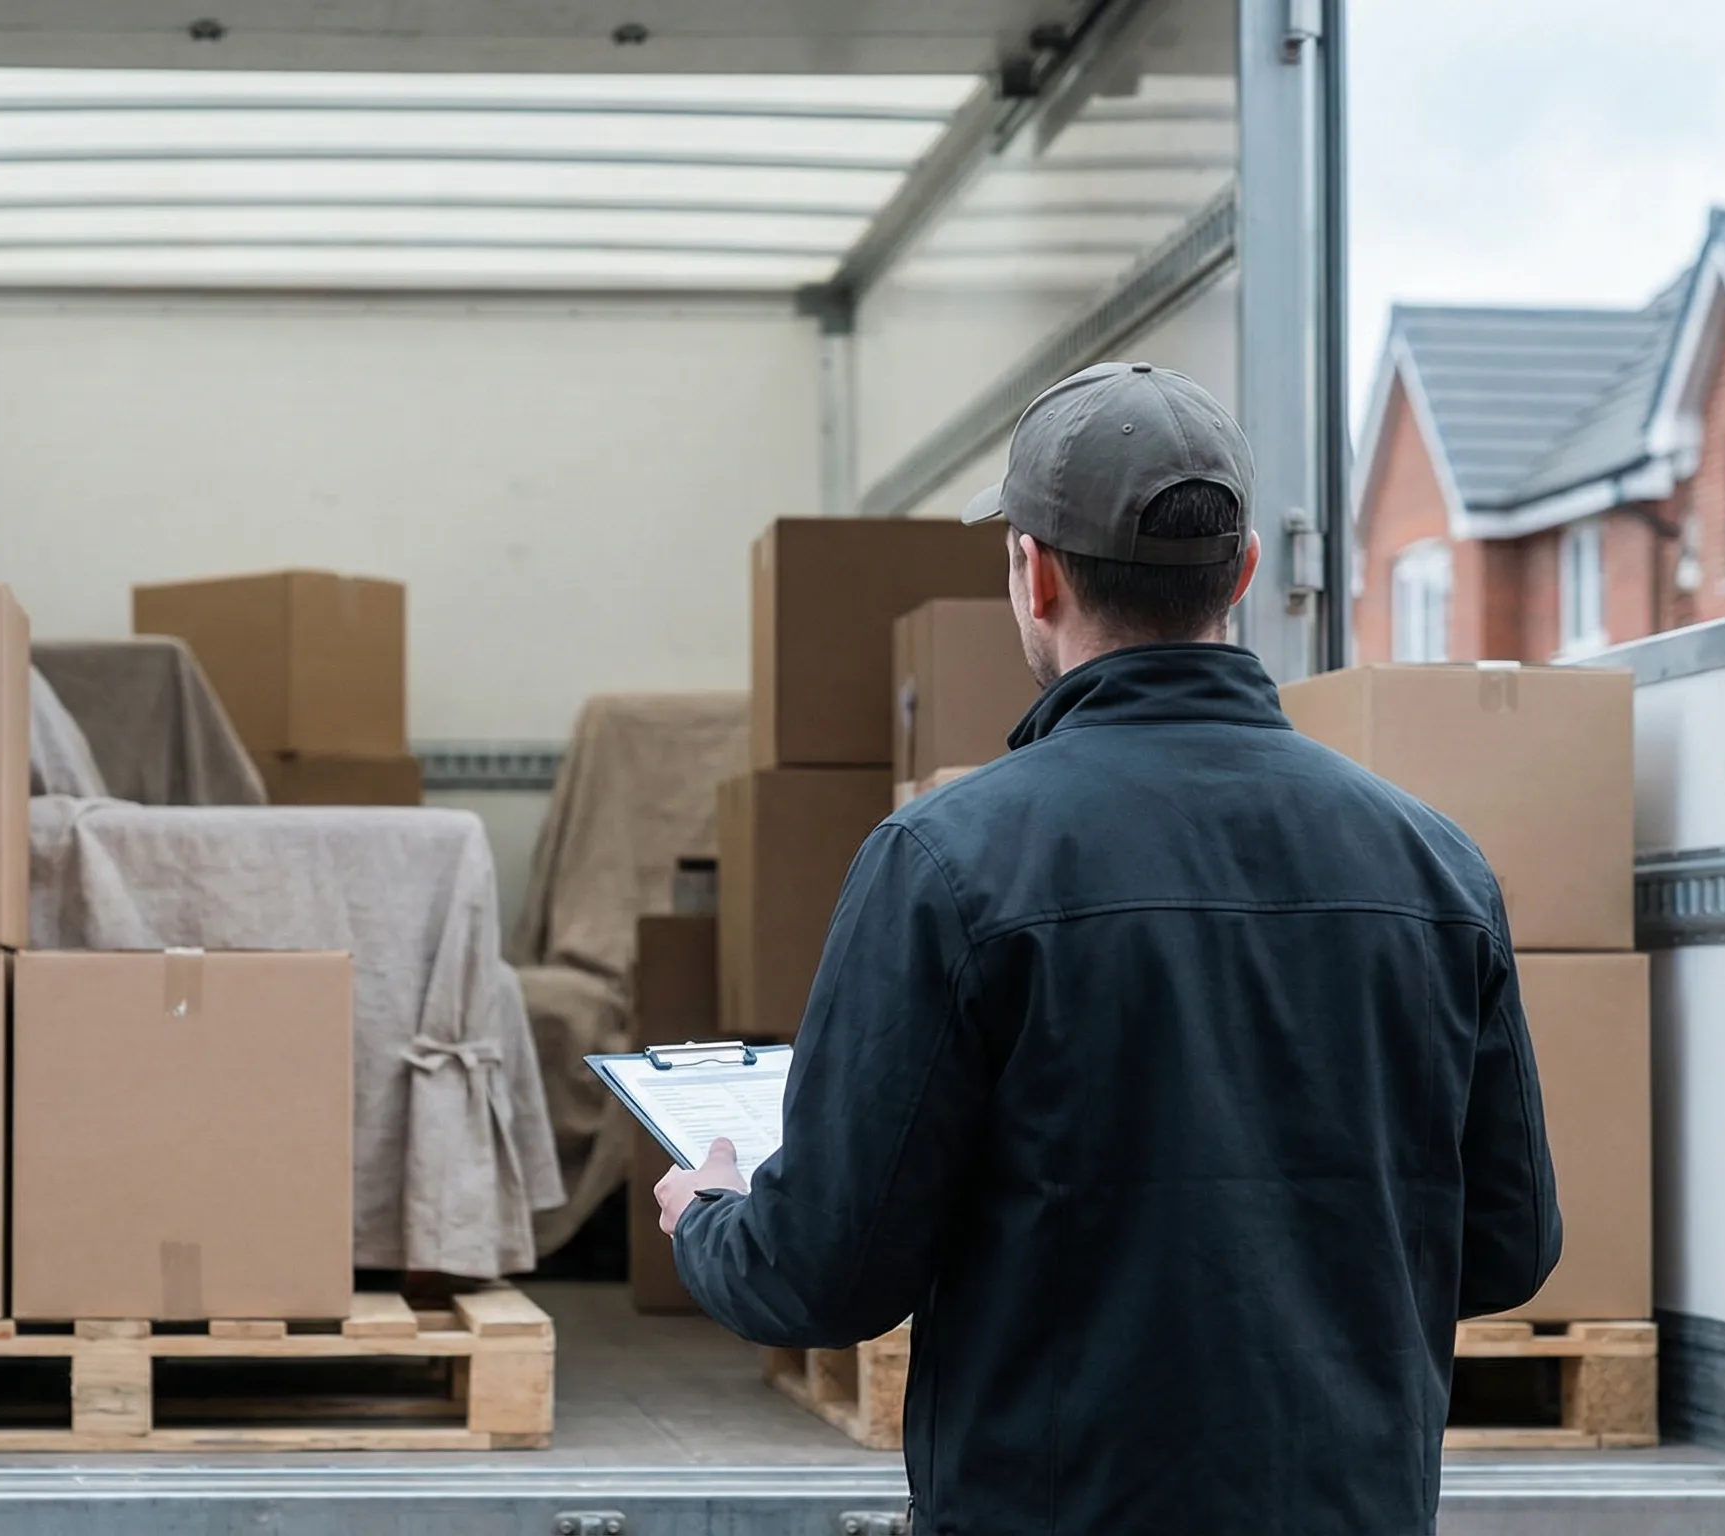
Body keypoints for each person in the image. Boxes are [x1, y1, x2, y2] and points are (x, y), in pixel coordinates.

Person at [657, 362, 1560, 1533]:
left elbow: (824, 1273)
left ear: (1032, 576)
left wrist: (714, 1214)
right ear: (1238, 574)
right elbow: (1505, 1247)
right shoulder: (1436, 867)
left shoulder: (947, 861)